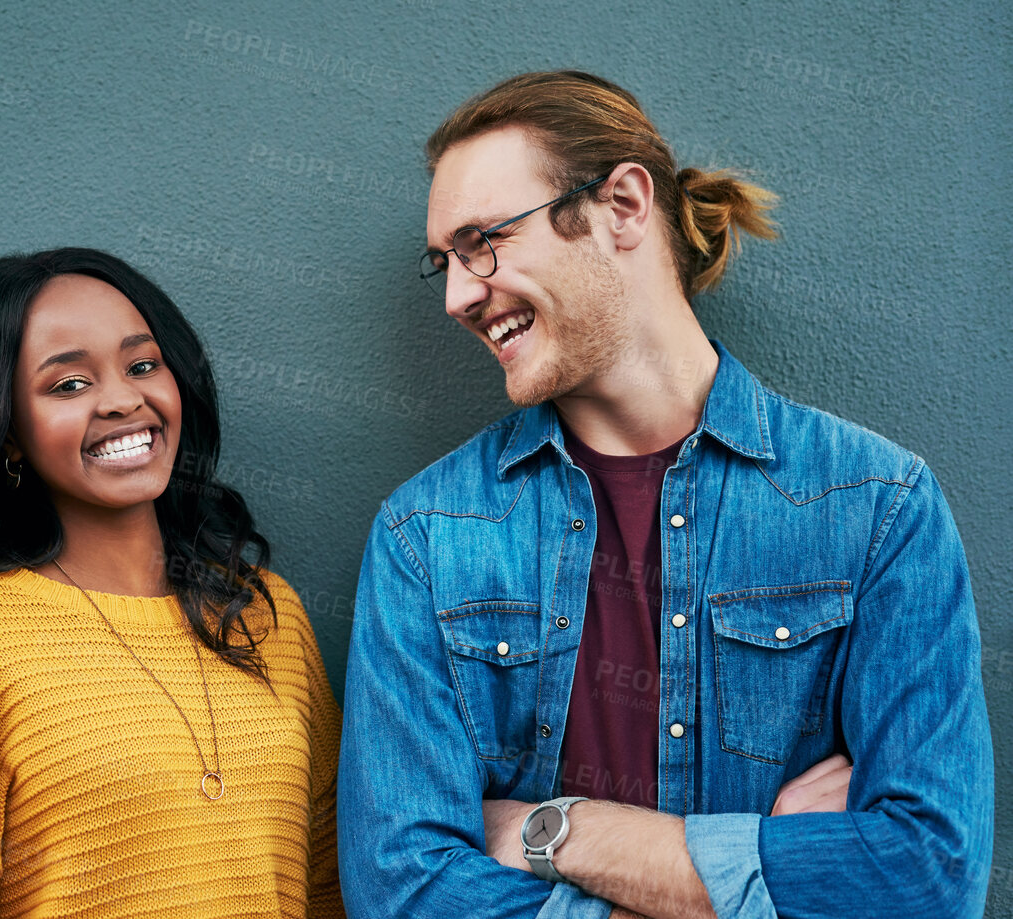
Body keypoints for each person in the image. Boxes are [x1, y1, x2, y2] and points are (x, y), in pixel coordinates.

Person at [338, 71, 991, 917]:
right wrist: (763, 868)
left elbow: (927, 879)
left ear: (623, 207)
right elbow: (401, 891)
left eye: (484, 241)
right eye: (446, 264)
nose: (461, 295)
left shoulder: (877, 507)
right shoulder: (426, 538)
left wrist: (559, 831)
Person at [0, 247, 343, 917]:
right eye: (69, 384)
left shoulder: (264, 612)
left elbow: (332, 883)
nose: (122, 399)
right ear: (9, 434)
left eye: (143, 365)